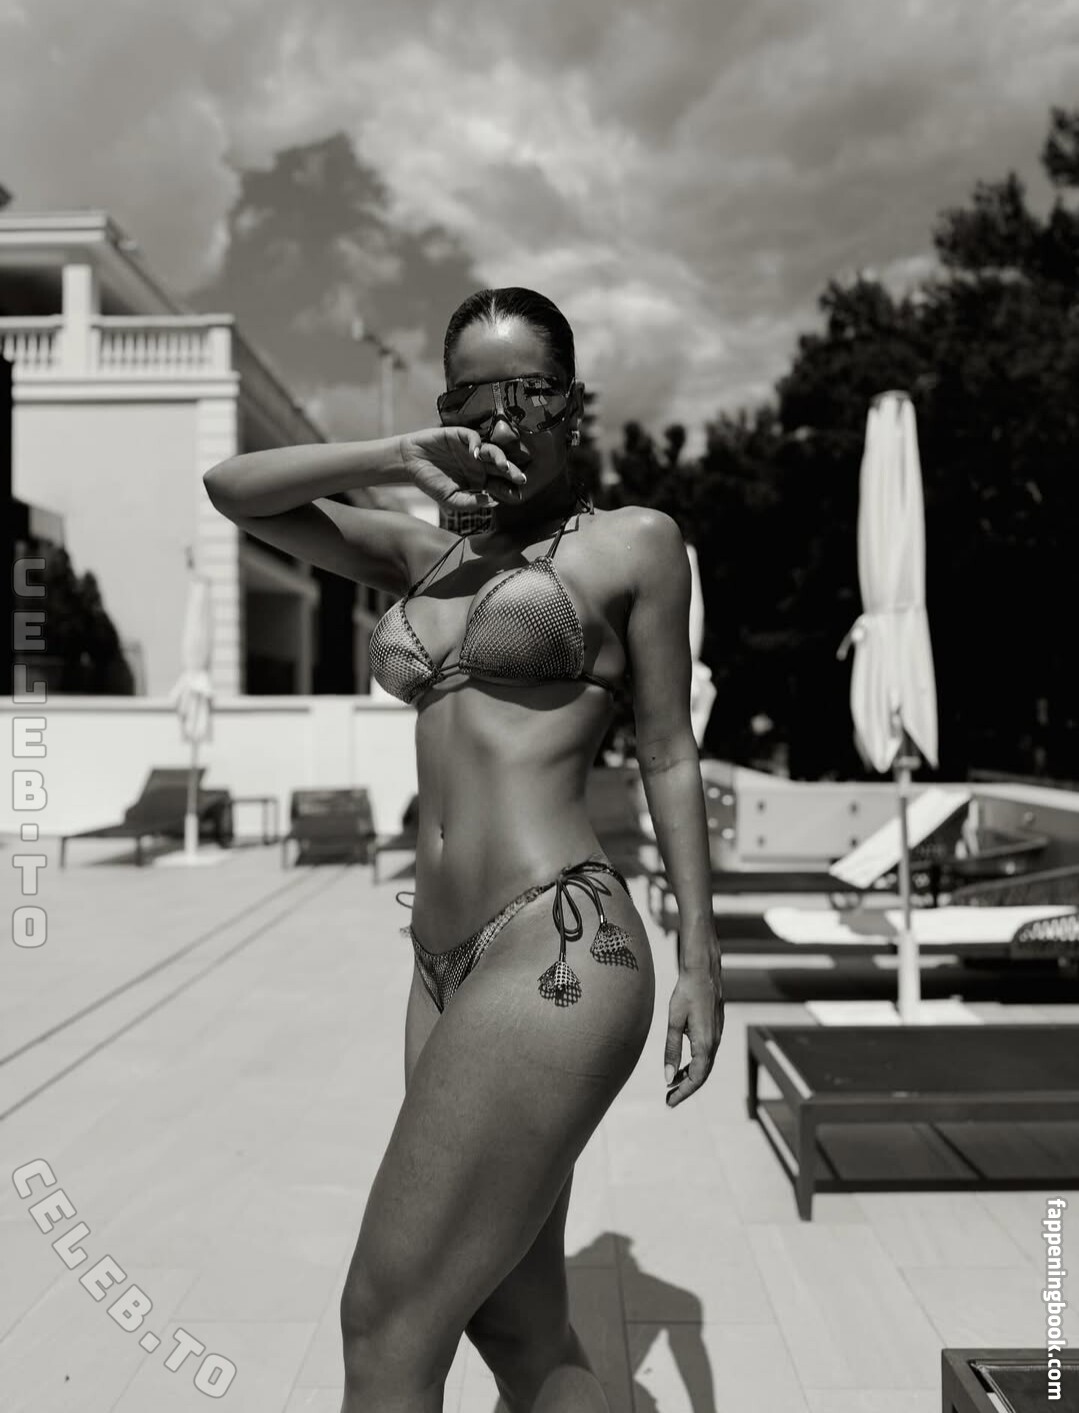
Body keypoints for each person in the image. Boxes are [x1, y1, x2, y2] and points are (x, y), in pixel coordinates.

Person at [203, 287, 724, 1413]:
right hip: (437, 964)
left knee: (385, 1322)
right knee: (518, 1325)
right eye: (469, 398)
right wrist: (396, 455)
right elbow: (231, 489)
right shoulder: (423, 556)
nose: (500, 418)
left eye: (525, 391)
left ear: (572, 402)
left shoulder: (635, 543)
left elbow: (668, 752)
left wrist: (701, 958)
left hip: (557, 938)